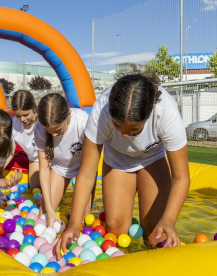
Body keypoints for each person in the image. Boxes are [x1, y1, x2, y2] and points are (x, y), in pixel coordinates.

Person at [56, 74, 190, 256]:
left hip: (152, 158)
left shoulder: (166, 112)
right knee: (115, 231)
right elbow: (87, 174)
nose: (125, 136)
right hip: (117, 159)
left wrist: (169, 219)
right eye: (119, 127)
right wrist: (74, 224)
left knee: (156, 235)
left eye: (134, 129)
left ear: (150, 111)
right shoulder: (100, 113)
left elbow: (180, 177)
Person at [35, 93, 95, 228]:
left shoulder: (83, 122)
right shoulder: (39, 128)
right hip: (60, 168)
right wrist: (49, 209)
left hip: (84, 169)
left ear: (68, 114)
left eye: (58, 130)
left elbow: (89, 168)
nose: (54, 135)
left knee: (83, 222)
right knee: (44, 220)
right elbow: (44, 169)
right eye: (50, 132)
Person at [6, 90, 40, 190]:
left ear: (34, 108)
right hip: (35, 160)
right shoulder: (14, 125)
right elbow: (11, 152)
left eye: (26, 115)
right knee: (35, 191)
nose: (22, 119)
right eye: (18, 116)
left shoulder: (43, 122)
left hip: (52, 161)